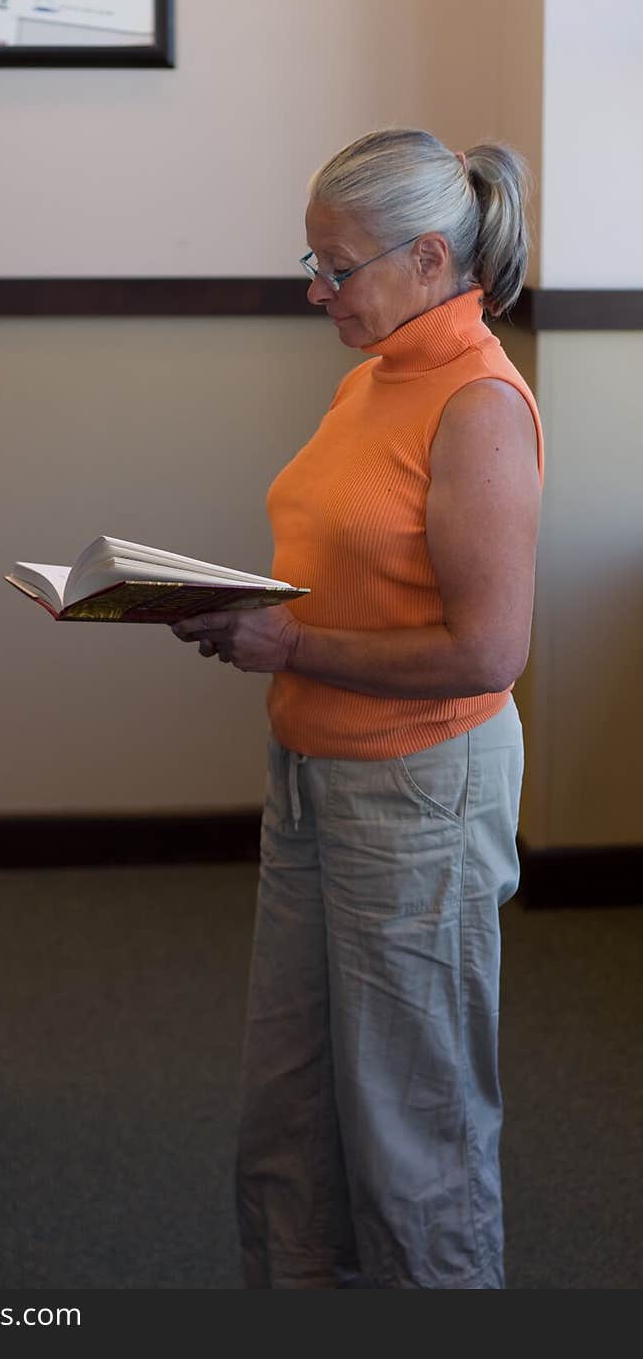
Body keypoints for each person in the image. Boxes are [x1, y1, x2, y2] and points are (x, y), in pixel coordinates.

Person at [171, 128, 544, 1289]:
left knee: (411, 1136)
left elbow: (486, 651)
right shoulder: (373, 374)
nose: (316, 289)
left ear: (430, 259)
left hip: (420, 787)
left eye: (338, 267)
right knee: (291, 1115)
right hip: (312, 773)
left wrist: (287, 640)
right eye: (310, 261)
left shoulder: (477, 402)